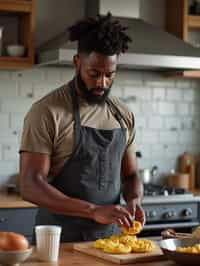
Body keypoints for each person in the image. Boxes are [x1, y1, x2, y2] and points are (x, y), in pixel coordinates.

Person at [19, 12, 145, 242]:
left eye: (110, 75)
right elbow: (30, 185)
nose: (102, 83)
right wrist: (92, 210)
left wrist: (134, 199)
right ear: (77, 62)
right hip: (59, 240)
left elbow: (131, 174)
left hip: (110, 242)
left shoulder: (123, 114)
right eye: (94, 73)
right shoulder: (47, 112)